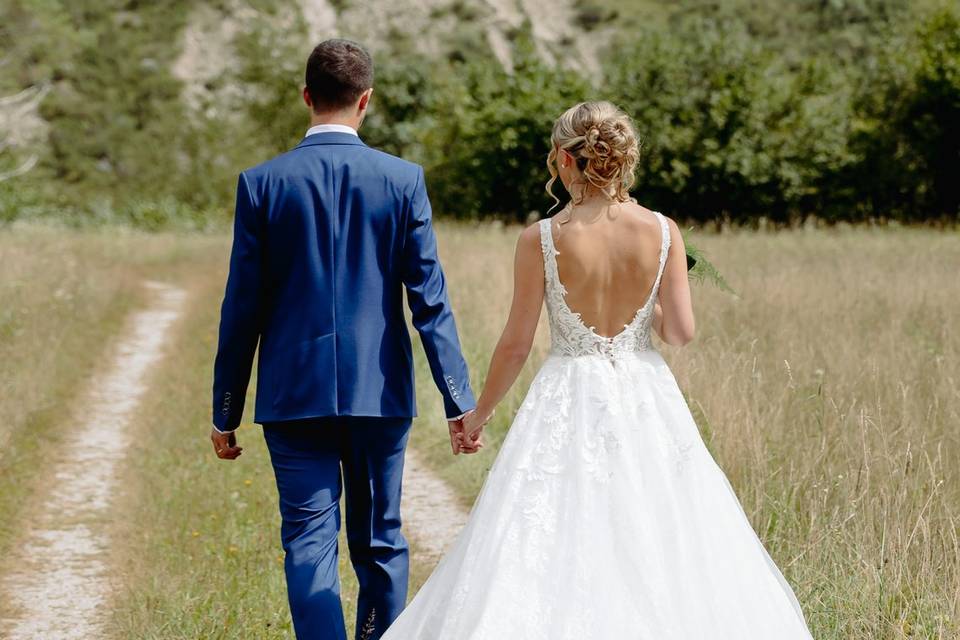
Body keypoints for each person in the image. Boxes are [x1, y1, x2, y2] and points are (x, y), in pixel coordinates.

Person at [382, 101, 816, 638]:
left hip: (567, 388)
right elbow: (679, 332)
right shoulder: (663, 231)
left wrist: (478, 414)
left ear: (564, 159)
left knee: (552, 529)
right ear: (621, 158)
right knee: (658, 523)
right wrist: (652, 291)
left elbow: (517, 342)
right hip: (644, 391)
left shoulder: (540, 238)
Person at [209, 39, 478, 640]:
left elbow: (241, 308)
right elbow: (428, 300)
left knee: (308, 544)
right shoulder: (403, 180)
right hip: (378, 396)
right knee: (381, 540)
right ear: (367, 101)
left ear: (306, 97)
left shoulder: (261, 184)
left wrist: (225, 409)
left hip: (292, 396)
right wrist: (458, 398)